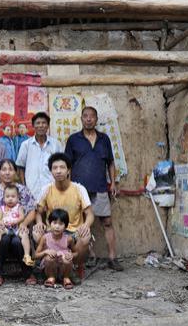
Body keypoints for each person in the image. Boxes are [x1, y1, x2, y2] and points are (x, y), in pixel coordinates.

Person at [65, 106, 123, 271]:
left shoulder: (104, 139)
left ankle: (112, 257)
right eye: (85, 116)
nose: (89, 119)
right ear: (81, 119)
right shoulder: (73, 139)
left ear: (96, 119)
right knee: (83, 223)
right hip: (80, 190)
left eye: (92, 116)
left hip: (100, 186)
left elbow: (110, 162)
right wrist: (68, 187)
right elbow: (67, 165)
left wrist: (112, 182)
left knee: (107, 222)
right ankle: (90, 255)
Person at [34, 152, 93, 280]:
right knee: (37, 233)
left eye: (62, 167)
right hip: (53, 229)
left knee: (86, 237)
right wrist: (39, 222)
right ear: (51, 171)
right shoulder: (46, 189)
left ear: (68, 170)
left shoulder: (79, 189)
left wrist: (86, 225)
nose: (58, 171)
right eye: (55, 168)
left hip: (74, 231)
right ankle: (49, 265)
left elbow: (89, 214)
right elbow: (38, 212)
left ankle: (77, 266)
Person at [0, 159, 37, 286]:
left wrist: (24, 224)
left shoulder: (23, 190)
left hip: (19, 228)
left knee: (17, 241)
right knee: (4, 239)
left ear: (15, 172)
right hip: (1, 229)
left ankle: (27, 272)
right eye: (3, 169)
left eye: (10, 169)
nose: (7, 173)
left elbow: (32, 211)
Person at [16, 112, 63, 199]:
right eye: (38, 123)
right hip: (31, 192)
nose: (41, 125)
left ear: (48, 126)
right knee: (33, 213)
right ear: (33, 126)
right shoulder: (26, 145)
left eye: (44, 123)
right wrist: (24, 187)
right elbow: (20, 167)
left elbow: (62, 167)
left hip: (52, 191)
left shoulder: (56, 144)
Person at [0, 184, 34, 267]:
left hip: (16, 228)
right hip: (6, 229)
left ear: (18, 198)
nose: (10, 199)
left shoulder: (19, 207)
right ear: (4, 198)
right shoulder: (2, 208)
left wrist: (16, 221)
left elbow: (22, 217)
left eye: (13, 196)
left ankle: (27, 255)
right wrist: (1, 223)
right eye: (7, 197)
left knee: (25, 235)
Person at [35, 208, 77, 289]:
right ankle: (51, 277)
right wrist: (46, 251)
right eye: (54, 223)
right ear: (49, 223)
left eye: (61, 224)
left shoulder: (68, 239)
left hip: (63, 267)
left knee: (67, 259)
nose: (57, 226)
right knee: (49, 258)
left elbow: (76, 252)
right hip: (49, 267)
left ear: (65, 226)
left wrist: (71, 255)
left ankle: (66, 277)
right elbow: (36, 255)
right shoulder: (45, 238)